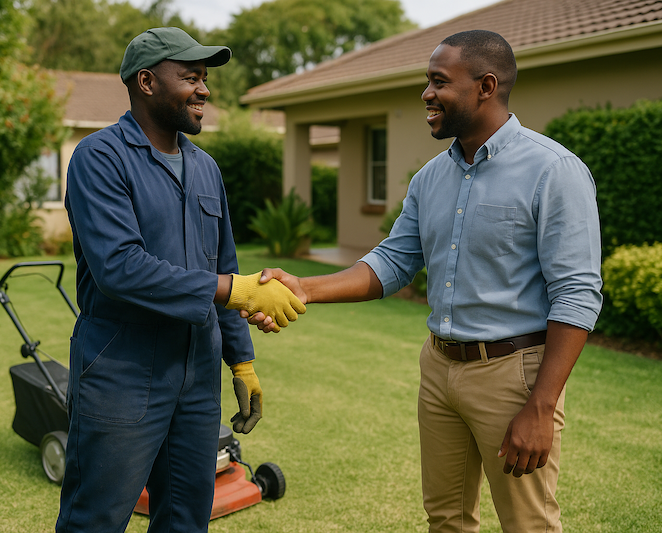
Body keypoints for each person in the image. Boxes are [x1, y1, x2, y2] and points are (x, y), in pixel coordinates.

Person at [247, 30, 602, 533]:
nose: (426, 94)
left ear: (486, 85)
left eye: (439, 82)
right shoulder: (430, 178)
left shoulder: (554, 170)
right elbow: (392, 263)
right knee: (446, 520)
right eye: (426, 81)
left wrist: (540, 408)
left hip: (513, 376)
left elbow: (578, 293)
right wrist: (304, 286)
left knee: (529, 525)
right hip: (439, 370)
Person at [57, 27, 305, 533]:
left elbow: (226, 263)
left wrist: (240, 360)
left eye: (205, 78)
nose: (205, 90)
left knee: (186, 517)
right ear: (147, 82)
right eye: (191, 77)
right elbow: (120, 267)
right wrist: (233, 289)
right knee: (97, 519)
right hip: (121, 371)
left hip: (195, 378)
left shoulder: (206, 168)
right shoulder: (99, 158)